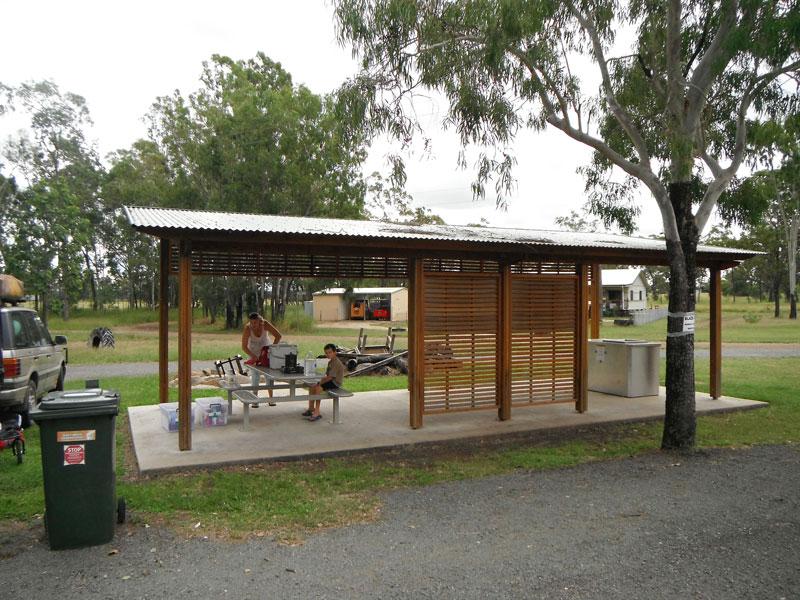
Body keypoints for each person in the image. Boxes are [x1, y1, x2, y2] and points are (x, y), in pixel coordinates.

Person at [241, 312, 282, 406]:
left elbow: (278, 336)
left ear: (260, 321)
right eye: (251, 323)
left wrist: (272, 349)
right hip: (253, 351)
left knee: (268, 374)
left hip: (266, 350)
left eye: (255, 323)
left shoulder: (265, 324)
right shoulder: (248, 328)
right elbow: (244, 346)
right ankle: (254, 399)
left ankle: (271, 398)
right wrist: (253, 356)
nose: (253, 325)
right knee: (255, 375)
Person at [303, 343, 344, 422]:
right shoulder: (330, 361)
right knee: (312, 386)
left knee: (318, 388)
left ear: (335, 352)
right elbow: (327, 375)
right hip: (331, 380)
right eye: (326, 353)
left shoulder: (336, 362)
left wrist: (320, 382)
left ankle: (317, 412)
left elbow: (330, 377)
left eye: (330, 352)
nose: (328, 354)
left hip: (335, 383)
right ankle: (311, 408)